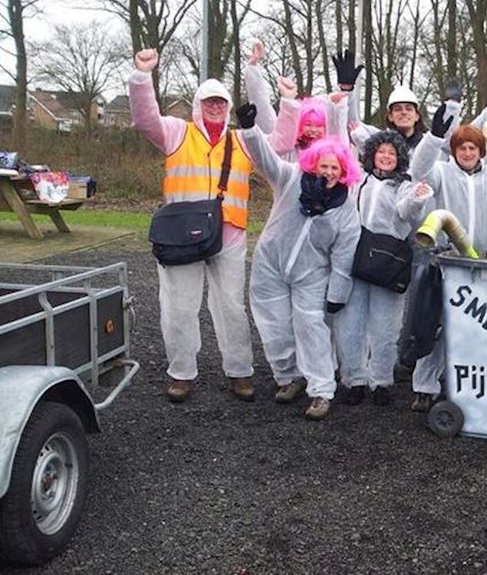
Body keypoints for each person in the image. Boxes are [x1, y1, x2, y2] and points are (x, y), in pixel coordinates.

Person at [127, 48, 297, 403]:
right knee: (178, 305)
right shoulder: (177, 133)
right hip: (179, 237)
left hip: (229, 233)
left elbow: (281, 143)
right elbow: (145, 120)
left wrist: (289, 102)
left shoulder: (243, 140)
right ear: (197, 105)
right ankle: (182, 373)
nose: (216, 108)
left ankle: (240, 372)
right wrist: (142, 77)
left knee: (231, 305)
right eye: (209, 102)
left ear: (228, 105)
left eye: (221, 102)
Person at [237, 102, 362, 421]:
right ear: (313, 163)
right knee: (274, 325)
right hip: (271, 264)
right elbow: (265, 159)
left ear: (344, 170)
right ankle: (288, 376)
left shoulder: (345, 207)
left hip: (312, 273)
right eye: (324, 165)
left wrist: (337, 293)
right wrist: (250, 131)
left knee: (311, 329)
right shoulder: (291, 179)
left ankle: (321, 390)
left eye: (335, 167)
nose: (329, 172)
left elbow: (344, 253)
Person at [406, 103, 487, 411]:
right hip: (445, 259)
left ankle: (466, 386)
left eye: (473, 147)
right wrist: (435, 137)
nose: (467, 153)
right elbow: (419, 170)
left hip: (481, 261)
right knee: (438, 323)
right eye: (462, 147)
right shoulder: (442, 172)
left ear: (481, 151)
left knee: (474, 325)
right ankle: (425, 386)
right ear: (454, 150)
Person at [332, 131, 434, 406]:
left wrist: (417, 198)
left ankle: (381, 381)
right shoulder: (359, 182)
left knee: (385, 326)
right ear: (372, 154)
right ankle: (354, 379)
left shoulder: (403, 186)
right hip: (356, 256)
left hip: (390, 262)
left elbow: (406, 212)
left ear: (399, 158)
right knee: (350, 323)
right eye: (382, 151)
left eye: (392, 153)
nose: (386, 157)